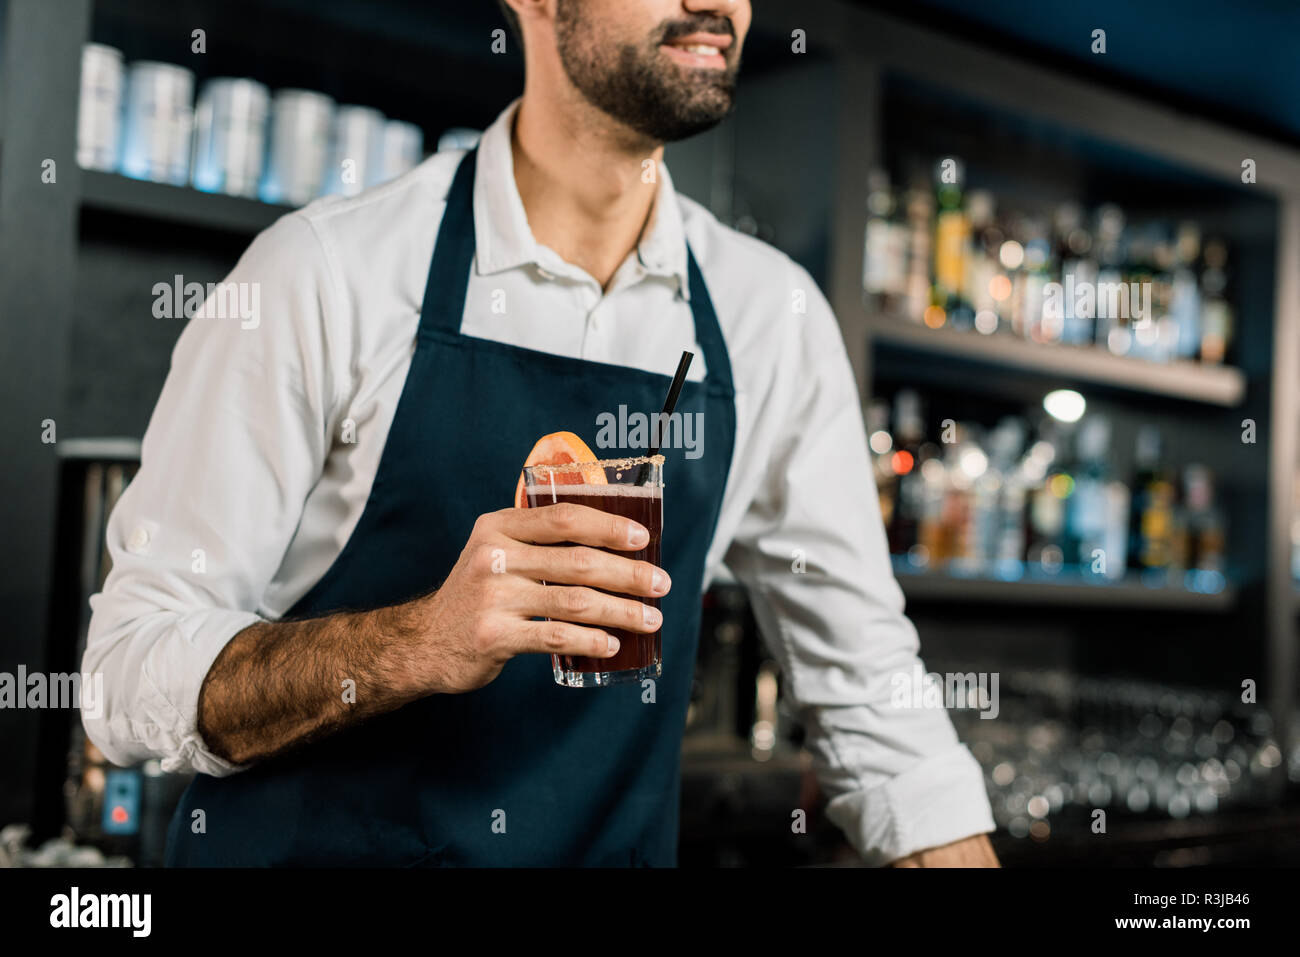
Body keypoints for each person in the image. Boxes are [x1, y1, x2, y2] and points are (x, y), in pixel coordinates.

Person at [83, 0, 997, 867]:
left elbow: (875, 699)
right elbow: (126, 678)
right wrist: (419, 643)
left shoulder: (773, 316)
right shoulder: (326, 273)